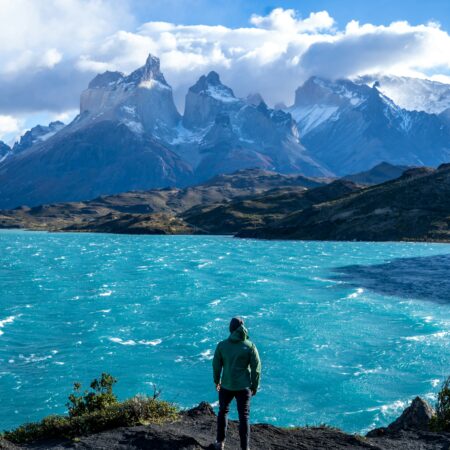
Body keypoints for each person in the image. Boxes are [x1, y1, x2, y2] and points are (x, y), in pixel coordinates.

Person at [212, 317, 261, 450]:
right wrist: (255, 386)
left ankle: (220, 443)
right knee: (244, 416)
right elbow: (256, 369)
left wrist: (217, 381)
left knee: (223, 412)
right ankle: (245, 448)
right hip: (244, 387)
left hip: (226, 385)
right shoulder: (250, 346)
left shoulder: (222, 345)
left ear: (230, 329)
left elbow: (216, 366)